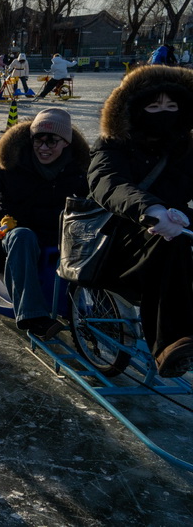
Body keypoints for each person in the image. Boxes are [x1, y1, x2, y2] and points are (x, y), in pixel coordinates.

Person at [87, 64, 193, 377]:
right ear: (134, 109)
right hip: (122, 239)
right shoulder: (114, 145)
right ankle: (170, 344)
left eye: (172, 106)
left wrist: (182, 216)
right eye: (154, 105)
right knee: (169, 242)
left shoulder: (186, 148)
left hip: (178, 224)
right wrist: (150, 209)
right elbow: (107, 181)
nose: (164, 113)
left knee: (178, 239)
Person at [0, 109, 90, 338]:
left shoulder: (79, 169)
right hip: (13, 232)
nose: (43, 147)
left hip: (60, 233)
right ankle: (32, 316)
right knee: (23, 236)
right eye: (38, 140)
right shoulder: (12, 161)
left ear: (66, 143)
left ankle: (92, 304)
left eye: (52, 141)